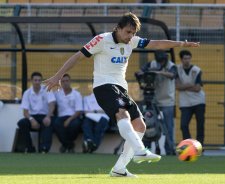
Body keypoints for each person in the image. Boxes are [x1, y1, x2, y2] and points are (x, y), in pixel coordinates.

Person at [44, 12, 199, 177]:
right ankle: (140, 150)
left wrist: (181, 43)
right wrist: (58, 75)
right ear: (118, 28)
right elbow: (78, 56)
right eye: (128, 32)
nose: (130, 36)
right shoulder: (102, 40)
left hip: (121, 88)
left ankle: (119, 169)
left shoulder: (132, 41)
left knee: (140, 126)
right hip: (104, 86)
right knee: (122, 113)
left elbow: (156, 44)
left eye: (133, 33)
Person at [139, 50, 177, 155]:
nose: (161, 63)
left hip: (167, 100)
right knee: (148, 123)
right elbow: (139, 72)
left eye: (162, 61)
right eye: (159, 61)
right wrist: (145, 73)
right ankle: (145, 149)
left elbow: (173, 75)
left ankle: (169, 150)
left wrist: (158, 72)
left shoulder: (171, 66)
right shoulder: (151, 64)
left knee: (168, 126)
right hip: (152, 99)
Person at [17, 72, 55, 153]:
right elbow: (25, 112)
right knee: (21, 123)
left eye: (39, 80)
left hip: (45, 116)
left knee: (49, 122)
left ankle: (44, 148)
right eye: (35, 80)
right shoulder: (27, 93)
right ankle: (29, 148)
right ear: (31, 81)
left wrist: (48, 116)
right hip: (32, 117)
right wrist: (31, 120)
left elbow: (52, 105)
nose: (37, 82)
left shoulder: (47, 89)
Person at [175, 50, 206, 147]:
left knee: (200, 125)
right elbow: (177, 87)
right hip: (185, 103)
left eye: (189, 58)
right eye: (185, 58)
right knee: (183, 125)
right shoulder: (177, 69)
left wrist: (184, 86)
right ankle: (189, 146)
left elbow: (197, 88)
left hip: (199, 101)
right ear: (181, 59)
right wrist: (189, 85)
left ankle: (200, 147)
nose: (187, 60)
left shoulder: (197, 70)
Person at [53, 74, 83, 153]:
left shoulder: (77, 94)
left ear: (70, 81)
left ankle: (65, 145)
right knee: (56, 123)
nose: (65, 83)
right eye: (63, 81)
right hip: (61, 117)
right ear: (61, 83)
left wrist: (69, 120)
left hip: (73, 117)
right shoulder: (57, 94)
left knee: (75, 125)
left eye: (67, 81)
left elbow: (78, 111)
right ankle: (69, 145)